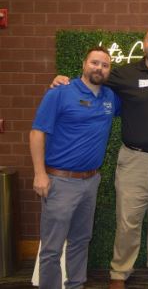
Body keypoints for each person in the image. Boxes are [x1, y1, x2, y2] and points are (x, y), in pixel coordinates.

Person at [51, 27, 148, 289]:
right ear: (144, 44)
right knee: (128, 220)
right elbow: (93, 78)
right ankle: (120, 272)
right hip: (134, 160)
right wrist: (64, 81)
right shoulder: (125, 73)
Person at [31, 46, 120, 289]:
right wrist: (40, 174)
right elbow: (37, 132)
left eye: (104, 65)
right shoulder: (60, 92)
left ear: (109, 69)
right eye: (95, 63)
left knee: (81, 239)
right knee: (52, 247)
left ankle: (76, 285)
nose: (99, 68)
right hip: (59, 181)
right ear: (84, 64)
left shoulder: (110, 97)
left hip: (91, 181)